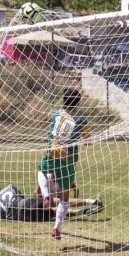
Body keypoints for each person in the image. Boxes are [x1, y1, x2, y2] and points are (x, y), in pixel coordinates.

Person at [38, 88, 89, 239]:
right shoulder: (81, 120)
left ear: (63, 99)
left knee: (41, 170)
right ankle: (56, 229)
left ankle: (46, 196)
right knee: (64, 196)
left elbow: (46, 118)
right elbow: (87, 140)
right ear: (77, 103)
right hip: (68, 160)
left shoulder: (55, 113)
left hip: (51, 153)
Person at [0, 183, 103, 222]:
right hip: (25, 204)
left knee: (53, 212)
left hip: (22, 217)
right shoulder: (9, 187)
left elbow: (3, 215)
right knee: (55, 201)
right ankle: (93, 201)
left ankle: (83, 212)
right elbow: (20, 195)